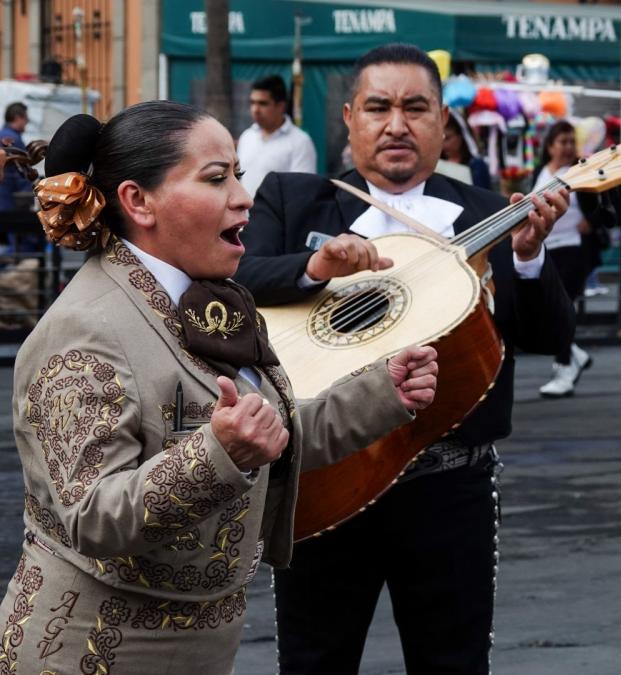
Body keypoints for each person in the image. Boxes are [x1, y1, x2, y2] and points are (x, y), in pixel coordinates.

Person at [0, 101, 437, 674]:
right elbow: (93, 516)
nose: (243, 197)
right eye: (216, 178)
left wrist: (381, 394)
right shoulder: (85, 329)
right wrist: (217, 456)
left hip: (202, 647)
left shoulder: (214, 298)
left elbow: (266, 437)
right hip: (89, 649)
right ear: (138, 201)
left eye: (239, 174)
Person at [232, 43, 574, 675]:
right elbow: (232, 282)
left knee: (453, 662)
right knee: (313, 660)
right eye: (378, 107)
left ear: (443, 122)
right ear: (350, 119)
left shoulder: (490, 214)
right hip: (324, 470)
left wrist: (527, 257)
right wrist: (312, 266)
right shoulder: (292, 197)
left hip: (450, 484)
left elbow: (552, 334)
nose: (397, 124)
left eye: (416, 108)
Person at [532, 120, 600, 398]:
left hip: (574, 248)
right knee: (544, 309)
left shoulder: (579, 171)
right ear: (550, 146)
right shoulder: (541, 171)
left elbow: (600, 201)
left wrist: (591, 221)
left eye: (572, 141)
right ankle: (574, 354)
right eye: (563, 141)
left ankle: (564, 369)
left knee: (562, 309)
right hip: (547, 248)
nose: (569, 147)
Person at [236, 74, 317, 198]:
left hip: (278, 217)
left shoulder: (300, 142)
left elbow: (302, 190)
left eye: (262, 103)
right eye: (252, 102)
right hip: (244, 215)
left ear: (281, 106)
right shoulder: (247, 137)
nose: (255, 109)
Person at [438, 108, 491, 189]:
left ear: (461, 136)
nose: (443, 145)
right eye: (440, 138)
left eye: (448, 138)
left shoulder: (476, 166)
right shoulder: (436, 165)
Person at [0, 102, 33, 211]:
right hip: (8, 196)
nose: (27, 123)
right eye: (26, 119)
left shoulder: (2, 134)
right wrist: (27, 195)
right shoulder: (12, 139)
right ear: (18, 118)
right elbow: (21, 170)